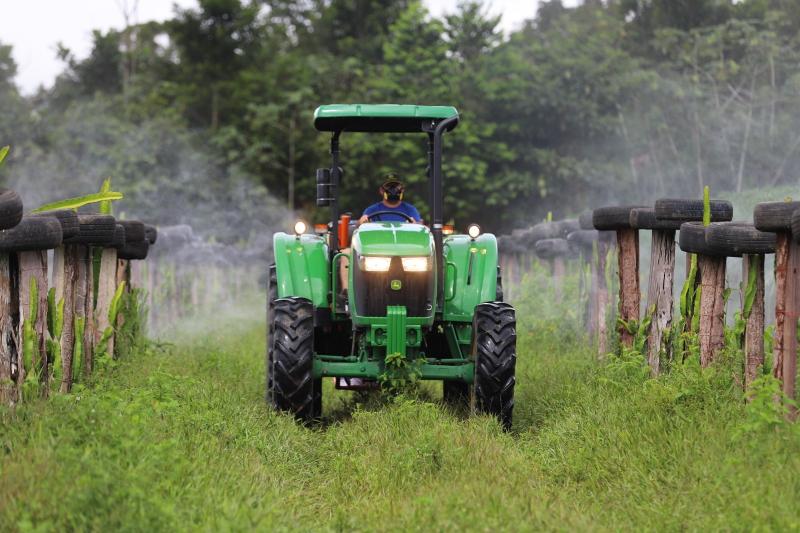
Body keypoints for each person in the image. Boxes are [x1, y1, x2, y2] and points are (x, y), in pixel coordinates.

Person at [339, 175, 421, 303]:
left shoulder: (410, 210)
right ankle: (347, 293)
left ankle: (421, 295)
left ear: (402, 190)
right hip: (376, 252)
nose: (393, 190)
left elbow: (419, 229)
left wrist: (415, 224)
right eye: (389, 187)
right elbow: (359, 229)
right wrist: (361, 222)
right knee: (345, 253)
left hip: (405, 252)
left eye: (396, 186)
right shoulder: (372, 210)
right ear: (381, 190)